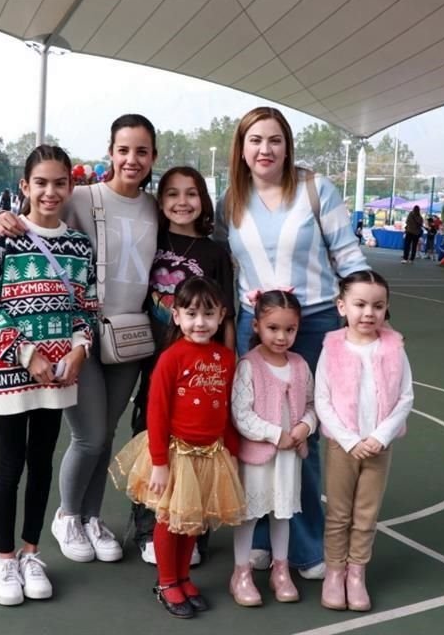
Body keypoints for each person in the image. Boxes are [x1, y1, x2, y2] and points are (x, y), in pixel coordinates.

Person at [0, 115, 159, 564]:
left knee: (106, 436)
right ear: (110, 153)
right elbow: (37, 215)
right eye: (124, 150)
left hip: (127, 339)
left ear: (153, 158)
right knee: (89, 435)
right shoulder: (81, 195)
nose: (132, 159)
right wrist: (3, 217)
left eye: (142, 151)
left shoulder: (154, 207)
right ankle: (68, 515)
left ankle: (91, 516)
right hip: (78, 336)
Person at [214, 106, 370, 580]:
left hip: (315, 323)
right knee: (257, 431)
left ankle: (304, 546)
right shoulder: (231, 201)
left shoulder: (314, 189)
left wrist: (365, 313)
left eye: (275, 140)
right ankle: (261, 536)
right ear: (241, 149)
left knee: (303, 434)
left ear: (288, 146)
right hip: (251, 326)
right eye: (255, 140)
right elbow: (221, 261)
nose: (265, 149)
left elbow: (347, 253)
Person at [0, 145, 99, 606]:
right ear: (25, 186)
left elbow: (87, 307)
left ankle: (31, 552)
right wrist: (26, 354)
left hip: (60, 375)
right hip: (10, 372)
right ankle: (4, 558)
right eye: (40, 182)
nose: (50, 191)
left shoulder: (79, 246)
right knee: (11, 464)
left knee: (43, 461)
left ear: (71, 186)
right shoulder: (4, 238)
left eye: (59, 183)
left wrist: (81, 350)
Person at [110, 277, 246, 619]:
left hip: (211, 455)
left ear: (221, 316)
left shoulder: (225, 358)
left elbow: (226, 409)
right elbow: (156, 413)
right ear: (177, 316)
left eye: (208, 314)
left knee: (194, 521)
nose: (200, 322)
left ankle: (184, 577)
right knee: (171, 519)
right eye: (191, 313)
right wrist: (159, 462)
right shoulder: (171, 358)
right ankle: (167, 581)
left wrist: (232, 449)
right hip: (176, 456)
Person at [133, 166, 236, 566]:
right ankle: (147, 527)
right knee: (152, 436)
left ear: (204, 201)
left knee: (201, 453)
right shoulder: (151, 240)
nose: (181, 202)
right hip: (153, 359)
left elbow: (226, 315)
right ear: (160, 202)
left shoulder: (215, 253)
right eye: (172, 194)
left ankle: (196, 529)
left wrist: (227, 367)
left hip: (201, 371)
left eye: (191, 193)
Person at [314, 270, 413, 612]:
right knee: (339, 514)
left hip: (378, 448)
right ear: (342, 306)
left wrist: (379, 437)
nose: (368, 313)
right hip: (344, 447)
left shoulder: (394, 348)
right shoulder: (332, 348)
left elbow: (405, 397)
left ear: (386, 310)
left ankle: (357, 574)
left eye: (378, 306)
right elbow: (322, 400)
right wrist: (349, 439)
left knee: (366, 515)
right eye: (360, 304)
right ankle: (334, 572)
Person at [229, 289, 317, 607]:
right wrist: (275, 434)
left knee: (283, 514)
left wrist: (305, 427)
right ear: (256, 327)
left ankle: (281, 570)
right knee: (249, 515)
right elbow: (241, 413)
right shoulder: (249, 366)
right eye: (273, 328)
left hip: (289, 457)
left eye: (289, 329)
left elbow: (310, 404)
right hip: (258, 457)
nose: (281, 336)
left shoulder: (300, 364)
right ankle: (241, 572)